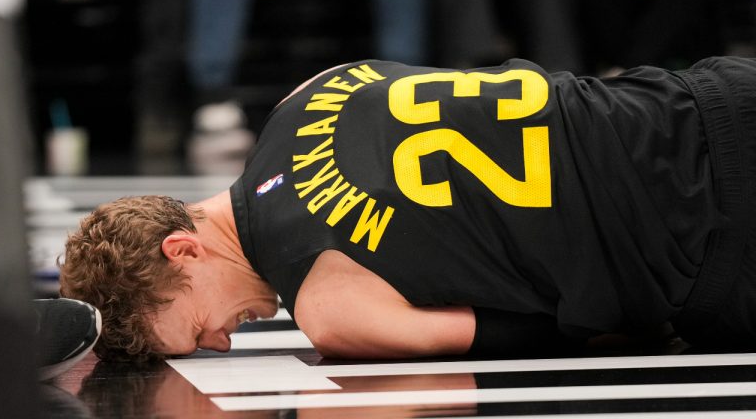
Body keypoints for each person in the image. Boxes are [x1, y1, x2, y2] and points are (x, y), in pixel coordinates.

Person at [60, 56, 756, 362]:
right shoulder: (303, 95)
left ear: (182, 249)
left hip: (718, 240)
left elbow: (563, 336)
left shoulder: (331, 309)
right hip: (702, 99)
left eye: (196, 327)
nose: (219, 341)